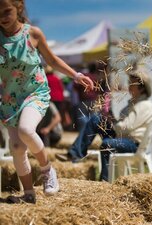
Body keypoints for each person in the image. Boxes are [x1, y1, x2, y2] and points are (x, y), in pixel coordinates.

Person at [0, 0, 94, 204]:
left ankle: (47, 170)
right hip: (10, 99)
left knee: (26, 130)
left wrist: (76, 75)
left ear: (18, 8)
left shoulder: (32, 34)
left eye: (7, 11)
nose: (3, 18)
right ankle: (28, 194)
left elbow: (52, 61)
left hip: (35, 93)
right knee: (16, 147)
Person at [57, 72, 152, 181]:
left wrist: (112, 122)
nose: (129, 86)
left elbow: (126, 127)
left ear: (141, 88)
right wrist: (110, 119)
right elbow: (123, 125)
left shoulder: (144, 105)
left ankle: (104, 180)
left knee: (107, 143)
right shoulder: (134, 103)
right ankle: (75, 153)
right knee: (96, 119)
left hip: (133, 144)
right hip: (123, 138)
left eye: (132, 84)